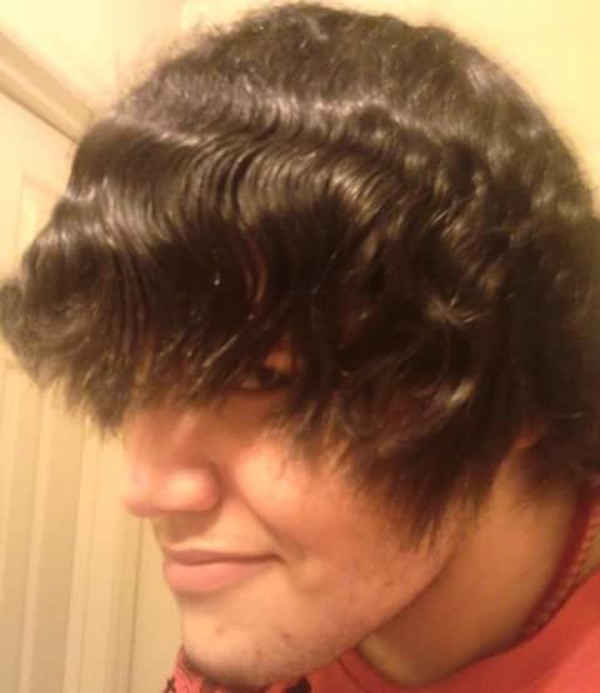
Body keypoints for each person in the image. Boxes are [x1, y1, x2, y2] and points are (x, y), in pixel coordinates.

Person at [1, 2, 599, 691]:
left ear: (517, 388)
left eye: (261, 374)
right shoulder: (288, 620)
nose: (146, 489)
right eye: (133, 386)